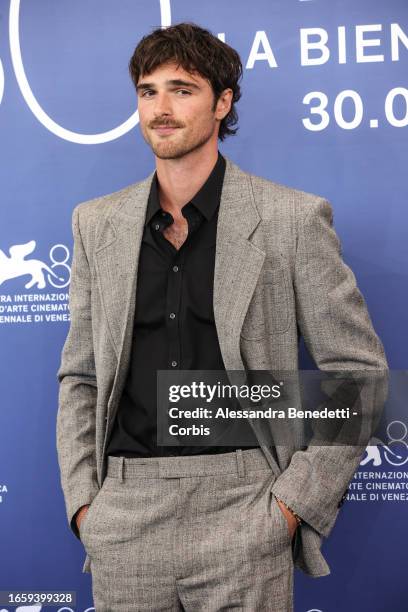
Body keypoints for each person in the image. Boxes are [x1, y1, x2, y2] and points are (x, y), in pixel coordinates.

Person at [56, 21, 387, 612]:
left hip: (247, 507)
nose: (161, 108)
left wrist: (289, 507)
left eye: (181, 89)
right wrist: (85, 504)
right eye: (148, 90)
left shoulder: (291, 219)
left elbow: (358, 375)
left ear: (223, 102)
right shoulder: (96, 224)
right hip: (124, 518)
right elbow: (81, 375)